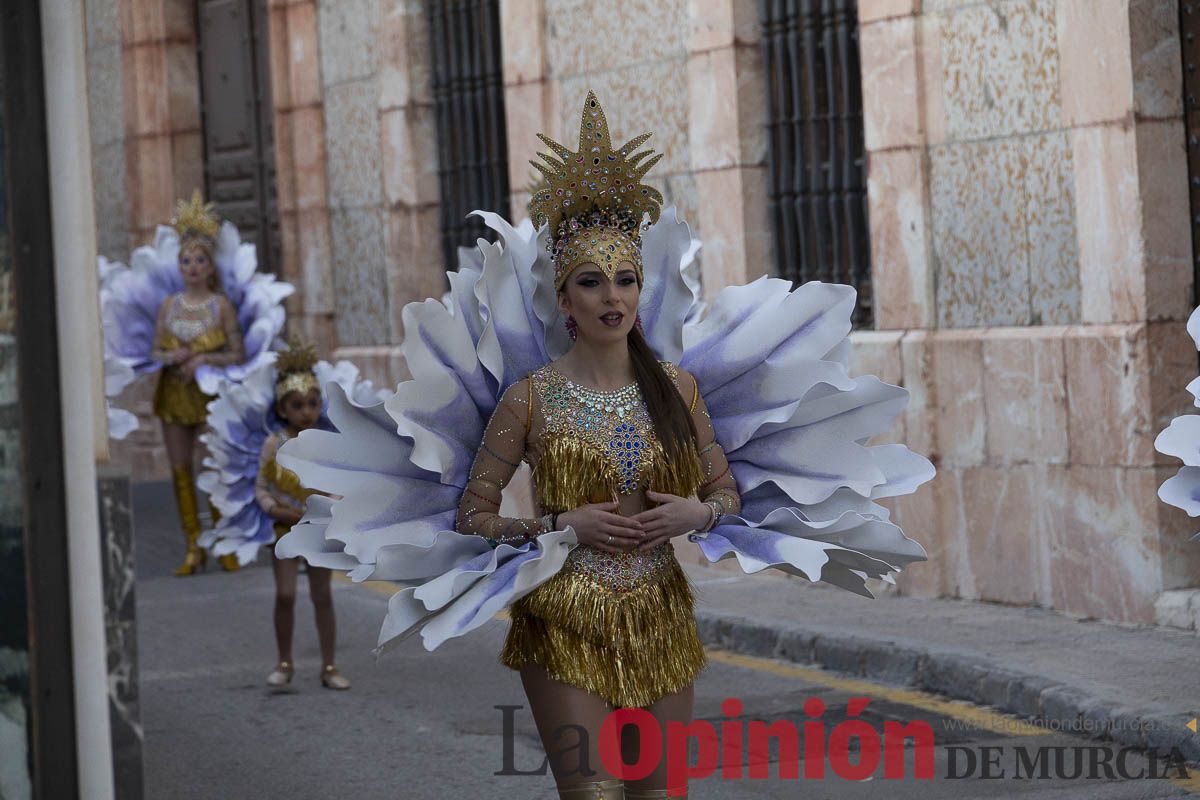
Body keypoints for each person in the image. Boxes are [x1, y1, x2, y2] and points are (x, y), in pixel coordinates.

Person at [274, 92, 932, 798]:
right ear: (565, 300)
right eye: (590, 282)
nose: (610, 296)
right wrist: (561, 525)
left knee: (661, 795)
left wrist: (697, 515)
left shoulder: (676, 389)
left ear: (641, 292)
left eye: (624, 280)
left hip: (661, 615)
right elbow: (472, 516)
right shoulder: (526, 397)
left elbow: (725, 492)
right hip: (561, 616)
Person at [150, 192, 244, 575]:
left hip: (208, 395)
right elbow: (155, 350)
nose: (192, 266)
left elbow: (237, 354)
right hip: (174, 395)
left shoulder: (220, 306)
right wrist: (170, 357)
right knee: (180, 469)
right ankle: (193, 546)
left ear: (210, 267)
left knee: (214, 467)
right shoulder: (168, 306)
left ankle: (222, 540)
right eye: (186, 260)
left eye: (199, 260)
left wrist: (204, 357)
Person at [255, 342, 350, 690]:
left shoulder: (323, 441)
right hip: (284, 529)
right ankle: (284, 661)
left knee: (322, 596)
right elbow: (262, 487)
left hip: (317, 531)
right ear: (282, 408)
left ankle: (329, 666)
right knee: (285, 595)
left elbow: (338, 484)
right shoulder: (273, 444)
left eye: (312, 403)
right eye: (297, 405)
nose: (306, 412)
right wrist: (275, 509)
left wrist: (327, 508)